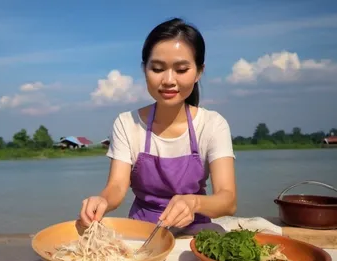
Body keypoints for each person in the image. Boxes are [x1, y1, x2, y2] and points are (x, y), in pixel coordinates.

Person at [78, 18, 237, 235]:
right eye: (158, 68)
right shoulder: (126, 123)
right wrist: (102, 200)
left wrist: (193, 204)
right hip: (141, 234)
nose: (169, 80)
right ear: (145, 69)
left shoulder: (212, 124)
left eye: (181, 69)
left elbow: (227, 199)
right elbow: (116, 187)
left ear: (199, 72)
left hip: (197, 234)